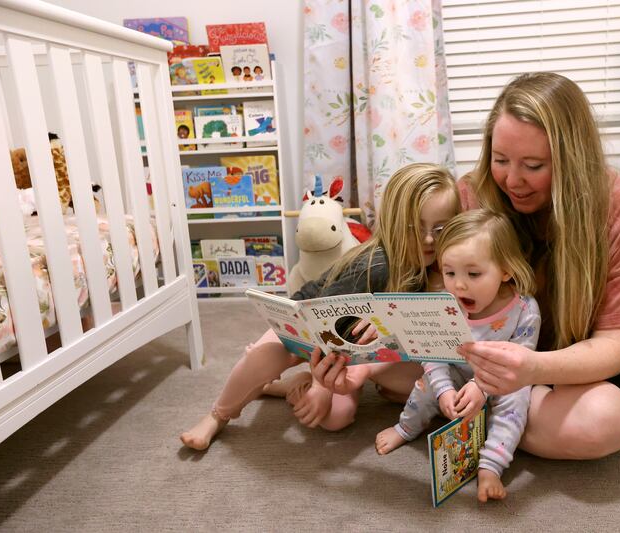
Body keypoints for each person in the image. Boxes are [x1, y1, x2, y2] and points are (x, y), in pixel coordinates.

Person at [454, 72, 620, 460]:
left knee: (602, 422)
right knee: (382, 371)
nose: (512, 180)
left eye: (534, 165)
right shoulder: (474, 191)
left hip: (569, 368)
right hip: (480, 355)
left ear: (573, 160)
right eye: (500, 159)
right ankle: (501, 417)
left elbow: (615, 345)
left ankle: (475, 415)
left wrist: (532, 369)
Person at [180, 163, 461, 450]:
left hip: (357, 354)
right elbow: (320, 323)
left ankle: (289, 386)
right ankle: (217, 416)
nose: (428, 239)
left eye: (440, 229)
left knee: (336, 418)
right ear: (393, 223)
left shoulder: (450, 269)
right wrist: (319, 385)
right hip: (311, 325)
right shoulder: (374, 265)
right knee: (266, 354)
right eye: (415, 228)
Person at [375, 209, 540, 502]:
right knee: (427, 381)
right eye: (449, 272)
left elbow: (519, 361)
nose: (459, 284)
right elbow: (432, 355)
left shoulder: (525, 310)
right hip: (455, 374)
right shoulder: (445, 304)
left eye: (473, 274)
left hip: (501, 381)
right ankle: (406, 427)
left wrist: (481, 387)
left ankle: (491, 465)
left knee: (518, 398)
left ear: (505, 270)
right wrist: (443, 391)